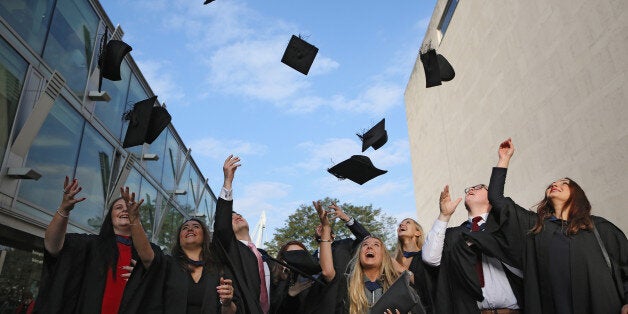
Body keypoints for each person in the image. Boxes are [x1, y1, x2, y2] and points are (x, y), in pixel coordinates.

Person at [482, 138, 628, 314]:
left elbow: (625, 264)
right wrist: (504, 159)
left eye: (564, 183)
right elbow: (497, 199)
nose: (555, 184)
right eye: (553, 183)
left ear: (577, 194)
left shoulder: (599, 228)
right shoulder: (536, 227)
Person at [35, 176, 162, 313]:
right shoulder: (90, 245)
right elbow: (52, 246)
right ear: (110, 217)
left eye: (129, 208)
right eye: (119, 207)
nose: (125, 210)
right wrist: (64, 209)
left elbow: (162, 284)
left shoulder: (150, 252)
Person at [422, 182, 523, 314]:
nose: (470, 189)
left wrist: (481, 240)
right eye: (468, 188)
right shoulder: (454, 235)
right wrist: (444, 216)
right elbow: (430, 258)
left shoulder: (505, 226)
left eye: (479, 187)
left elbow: (522, 263)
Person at [213, 155, 270, 313]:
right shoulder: (230, 252)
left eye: (238, 215)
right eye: (230, 217)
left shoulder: (267, 259)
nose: (237, 216)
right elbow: (222, 227)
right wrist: (228, 182)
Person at [163, 218, 238, 314]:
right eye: (185, 228)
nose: (190, 229)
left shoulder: (219, 268)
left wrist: (227, 303)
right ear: (179, 238)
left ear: (204, 236)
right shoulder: (167, 264)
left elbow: (230, 311)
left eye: (196, 226)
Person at [310, 201, 371, 313]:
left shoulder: (345, 245)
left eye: (324, 227)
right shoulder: (310, 259)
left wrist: (346, 218)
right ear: (315, 238)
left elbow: (367, 239)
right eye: (318, 227)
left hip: (345, 305)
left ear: (333, 235)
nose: (321, 227)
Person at [346, 236, 419, 314]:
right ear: (359, 254)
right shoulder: (346, 284)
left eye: (376, 245)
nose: (369, 247)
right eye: (365, 245)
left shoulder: (399, 288)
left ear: (384, 255)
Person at [394, 218, 437, 314]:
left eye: (407, 222)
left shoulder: (426, 256)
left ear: (417, 233)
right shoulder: (393, 260)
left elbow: (428, 285)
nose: (401, 225)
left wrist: (402, 270)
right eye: (400, 224)